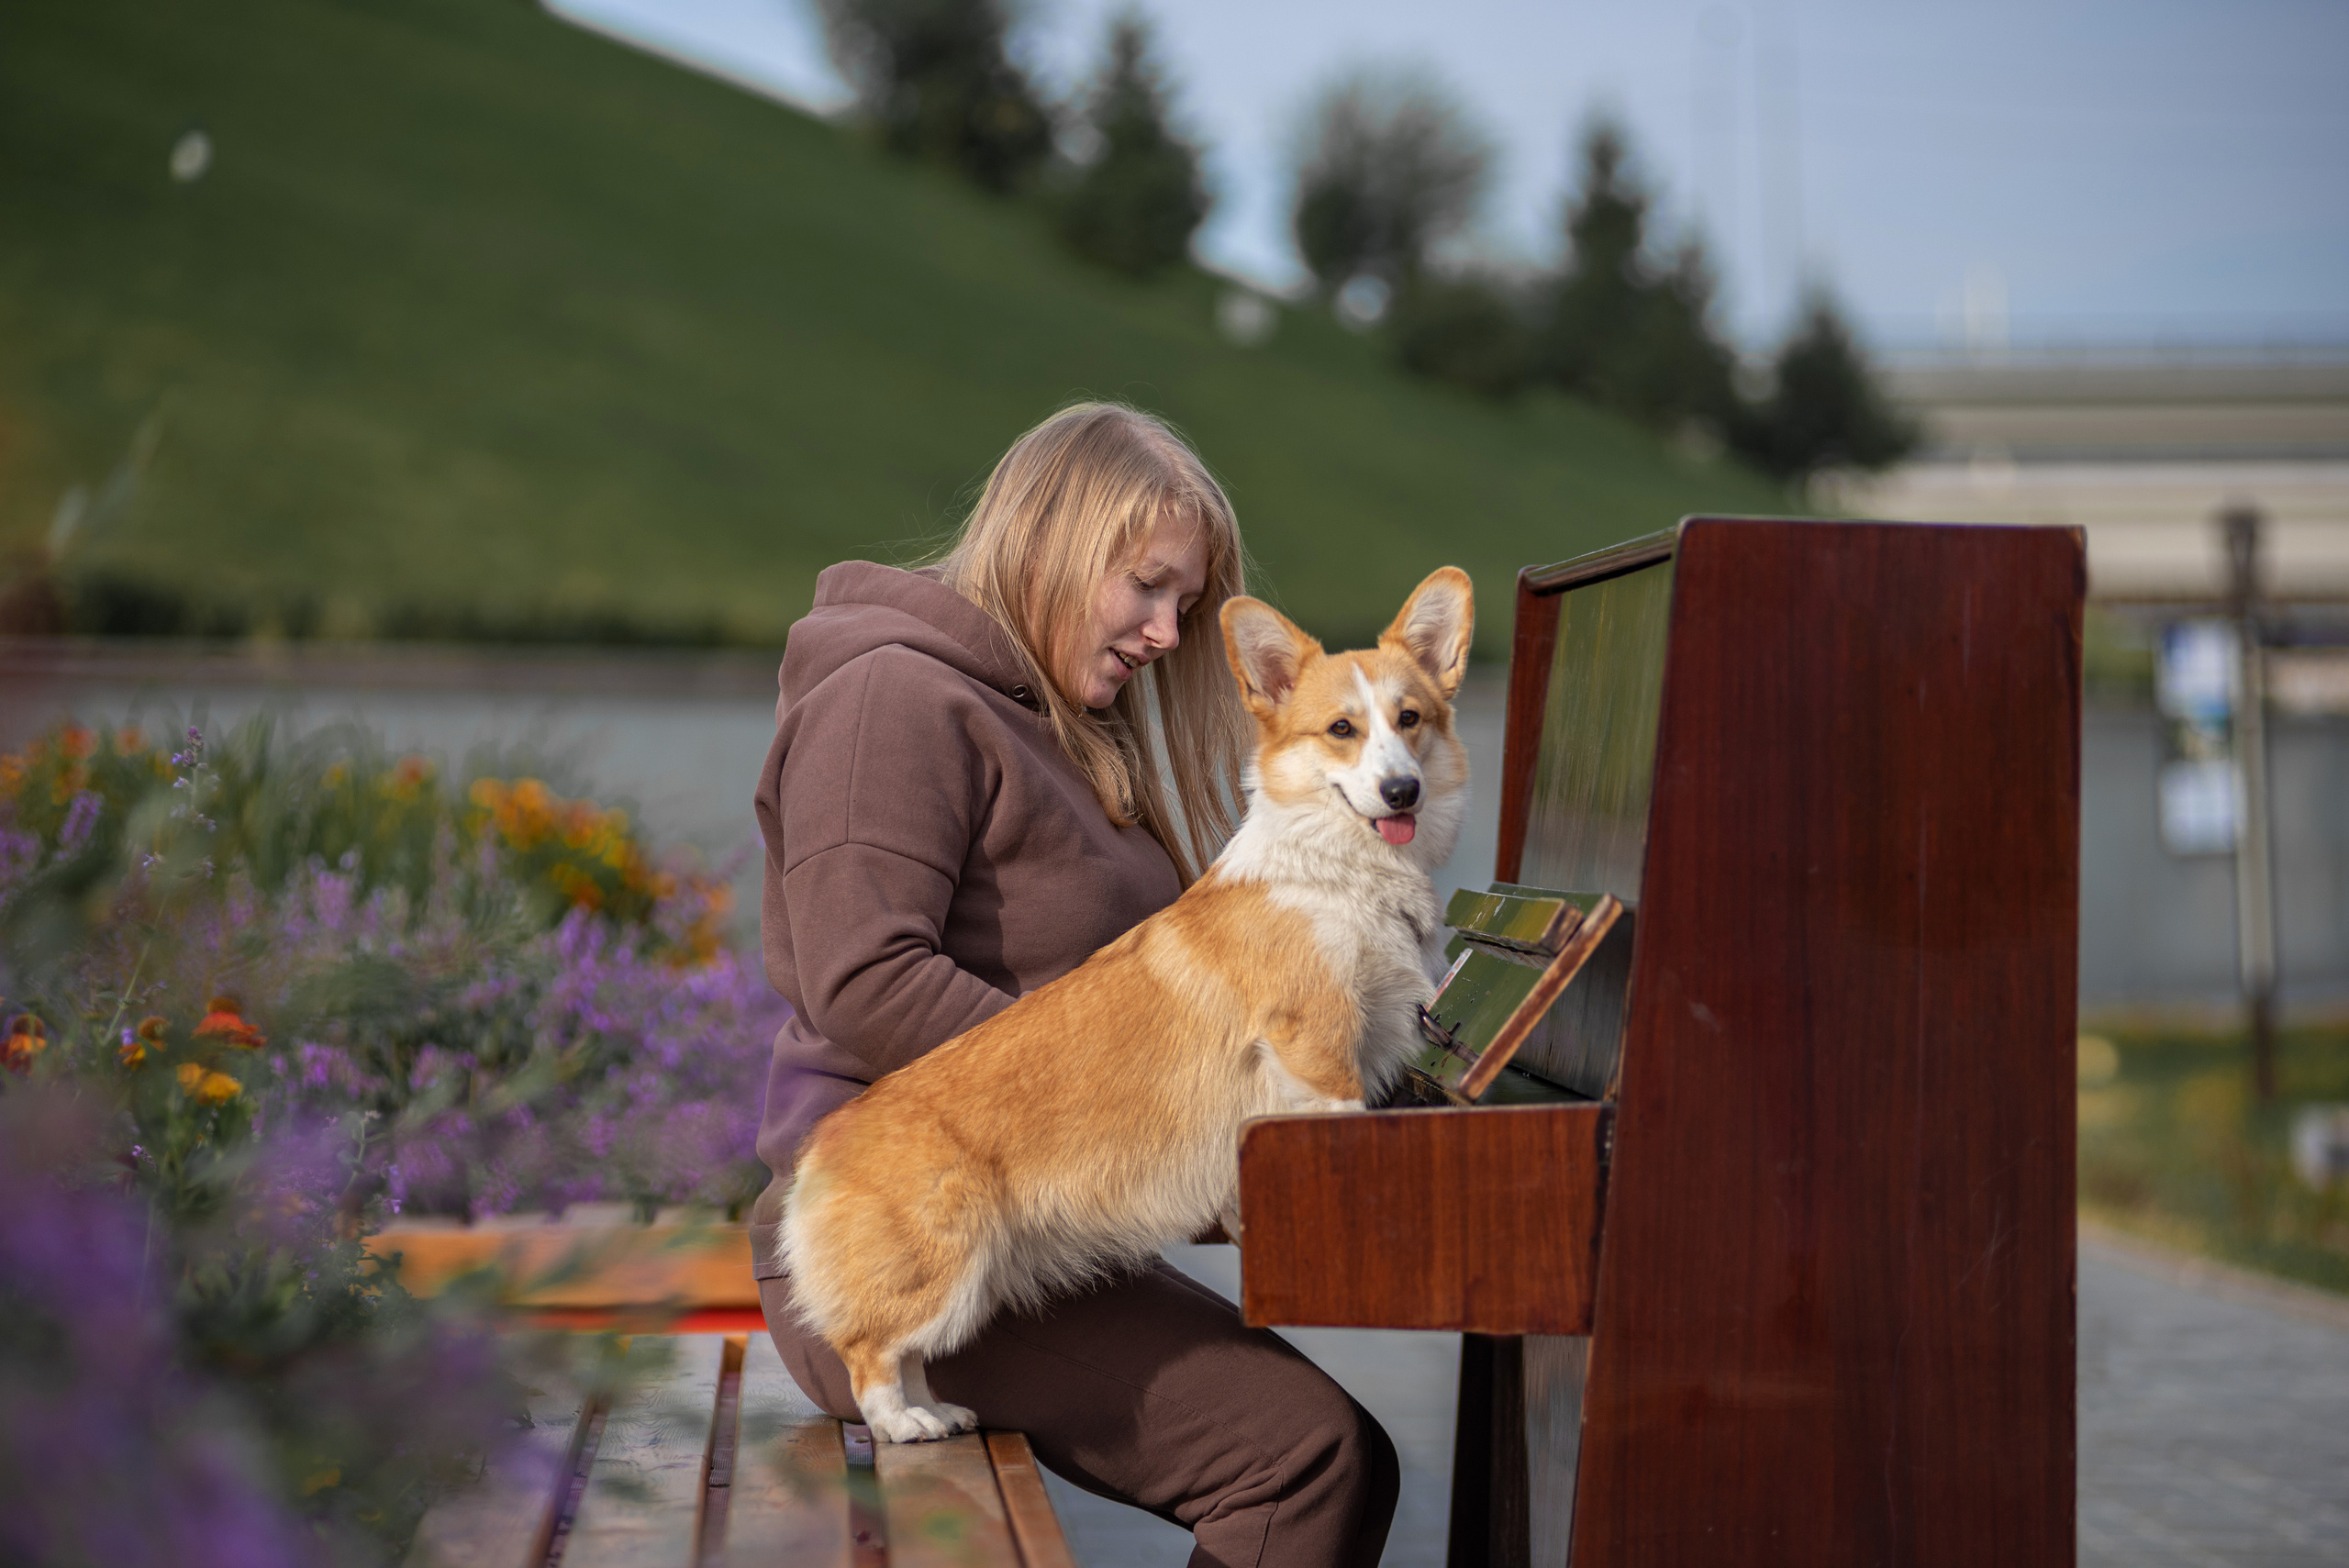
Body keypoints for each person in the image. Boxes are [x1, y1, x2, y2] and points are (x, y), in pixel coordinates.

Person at [748, 403, 1399, 1566]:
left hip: (1031, 1233)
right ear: (1050, 539)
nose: (1165, 631)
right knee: (1306, 1456)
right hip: (904, 1237)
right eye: (1146, 585)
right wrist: (1118, 1116)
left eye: (1185, 602)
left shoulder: (1058, 723)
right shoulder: (889, 698)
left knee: (1340, 1452)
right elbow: (866, 978)